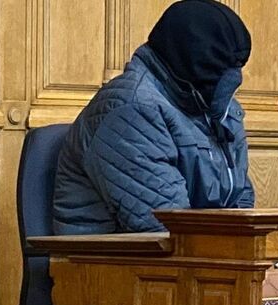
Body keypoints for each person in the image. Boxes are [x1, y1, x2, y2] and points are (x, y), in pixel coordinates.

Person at [52, 0, 255, 234]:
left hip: (189, 257)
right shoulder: (131, 108)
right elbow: (164, 224)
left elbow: (242, 203)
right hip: (106, 263)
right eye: (221, 71)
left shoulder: (216, 107)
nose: (233, 81)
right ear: (191, 62)